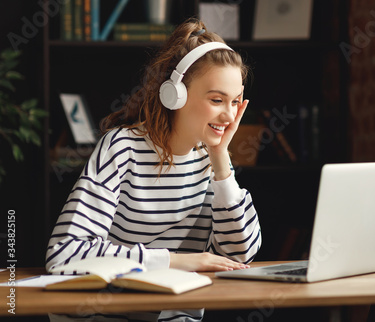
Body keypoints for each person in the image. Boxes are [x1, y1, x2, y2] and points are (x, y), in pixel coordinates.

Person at [46, 18, 261, 321]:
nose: (228, 115)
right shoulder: (122, 149)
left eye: (236, 102)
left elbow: (240, 256)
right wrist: (174, 261)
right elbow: (64, 254)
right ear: (176, 94)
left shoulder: (212, 160)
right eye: (216, 100)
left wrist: (221, 160)